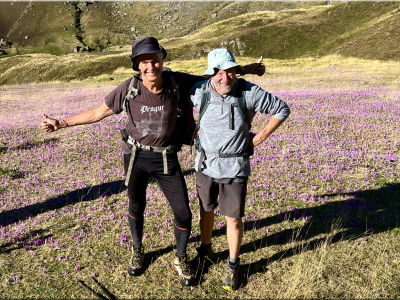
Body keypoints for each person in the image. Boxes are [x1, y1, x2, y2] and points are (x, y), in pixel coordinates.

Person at [40, 37, 265, 287]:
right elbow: (97, 113)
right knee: (136, 206)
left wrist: (247, 69)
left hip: (167, 158)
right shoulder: (128, 88)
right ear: (137, 65)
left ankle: (181, 258)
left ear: (162, 61)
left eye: (155, 61)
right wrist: (62, 123)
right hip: (136, 157)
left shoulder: (175, 81)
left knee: (183, 214)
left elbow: (214, 77)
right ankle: (137, 250)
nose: (150, 67)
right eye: (144, 62)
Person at [187, 49, 290, 291]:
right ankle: (205, 249)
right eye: (218, 72)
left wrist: (260, 137)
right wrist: (191, 131)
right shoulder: (198, 90)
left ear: (236, 70)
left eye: (230, 71)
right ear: (211, 73)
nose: (225, 78)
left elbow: (282, 109)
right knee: (206, 209)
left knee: (233, 218)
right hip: (204, 165)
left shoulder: (249, 92)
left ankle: (233, 264)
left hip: (234, 166)